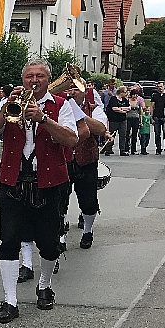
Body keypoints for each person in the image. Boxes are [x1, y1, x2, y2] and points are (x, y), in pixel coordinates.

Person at [0, 59, 79, 323]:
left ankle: (44, 285)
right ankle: (10, 300)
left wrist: (43, 119)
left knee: (48, 242)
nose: (34, 81)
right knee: (9, 241)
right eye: (29, 76)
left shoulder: (61, 105)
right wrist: (6, 107)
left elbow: (71, 140)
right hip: (13, 182)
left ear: (48, 80)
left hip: (49, 183)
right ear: (22, 80)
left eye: (39, 76)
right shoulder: (11, 103)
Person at [65, 85, 108, 249]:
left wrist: (79, 113)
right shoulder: (61, 107)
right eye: (69, 89)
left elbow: (101, 129)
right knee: (59, 198)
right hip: (64, 160)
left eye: (76, 89)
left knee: (88, 200)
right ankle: (60, 234)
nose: (72, 92)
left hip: (86, 161)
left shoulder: (94, 109)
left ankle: (88, 231)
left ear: (85, 92)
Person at [104, 86, 130, 155]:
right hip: (114, 120)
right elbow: (114, 108)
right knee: (112, 134)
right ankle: (108, 149)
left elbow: (129, 107)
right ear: (121, 92)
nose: (126, 94)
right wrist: (123, 110)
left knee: (123, 134)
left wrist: (120, 108)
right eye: (125, 92)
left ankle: (122, 150)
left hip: (123, 120)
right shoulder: (113, 99)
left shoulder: (125, 100)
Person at [146, 81, 165, 153]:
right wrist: (151, 117)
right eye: (158, 87)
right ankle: (158, 148)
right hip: (156, 117)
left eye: (161, 86)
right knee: (157, 134)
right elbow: (152, 106)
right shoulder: (155, 95)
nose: (159, 88)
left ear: (164, 86)